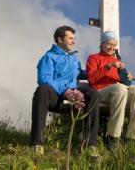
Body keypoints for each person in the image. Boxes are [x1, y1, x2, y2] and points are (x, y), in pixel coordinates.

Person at [30, 25, 100, 157]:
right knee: (42, 90)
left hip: (74, 92)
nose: (73, 41)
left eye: (74, 38)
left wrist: (100, 71)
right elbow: (44, 79)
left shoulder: (74, 58)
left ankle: (90, 144)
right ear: (60, 39)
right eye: (70, 38)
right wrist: (65, 90)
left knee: (93, 93)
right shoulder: (49, 57)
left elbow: (80, 74)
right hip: (56, 96)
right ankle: (37, 143)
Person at [86, 31, 135, 151]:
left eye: (114, 45)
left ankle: (132, 138)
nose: (112, 47)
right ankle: (113, 137)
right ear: (102, 44)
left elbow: (125, 83)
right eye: (109, 44)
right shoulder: (93, 58)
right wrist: (108, 66)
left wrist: (127, 75)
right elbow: (91, 79)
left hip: (118, 92)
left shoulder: (117, 60)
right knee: (120, 88)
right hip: (100, 91)